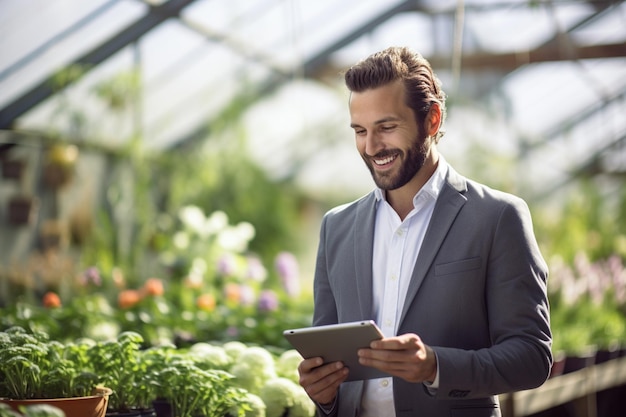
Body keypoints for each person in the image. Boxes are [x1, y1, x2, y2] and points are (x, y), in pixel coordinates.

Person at [296, 46, 553, 417]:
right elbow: (328, 363)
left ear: (432, 120)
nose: (371, 147)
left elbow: (532, 356)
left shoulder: (497, 217)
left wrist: (435, 366)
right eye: (360, 131)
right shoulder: (336, 227)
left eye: (386, 127)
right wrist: (324, 393)